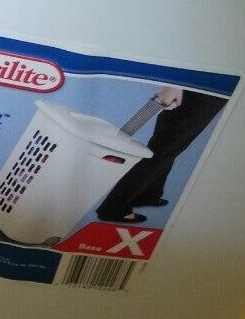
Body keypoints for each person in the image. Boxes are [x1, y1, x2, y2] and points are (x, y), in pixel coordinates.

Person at [96, 86, 226, 224]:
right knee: (163, 149)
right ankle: (112, 207)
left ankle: (148, 194)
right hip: (206, 89)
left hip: (210, 90)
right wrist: (174, 85)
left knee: (168, 147)